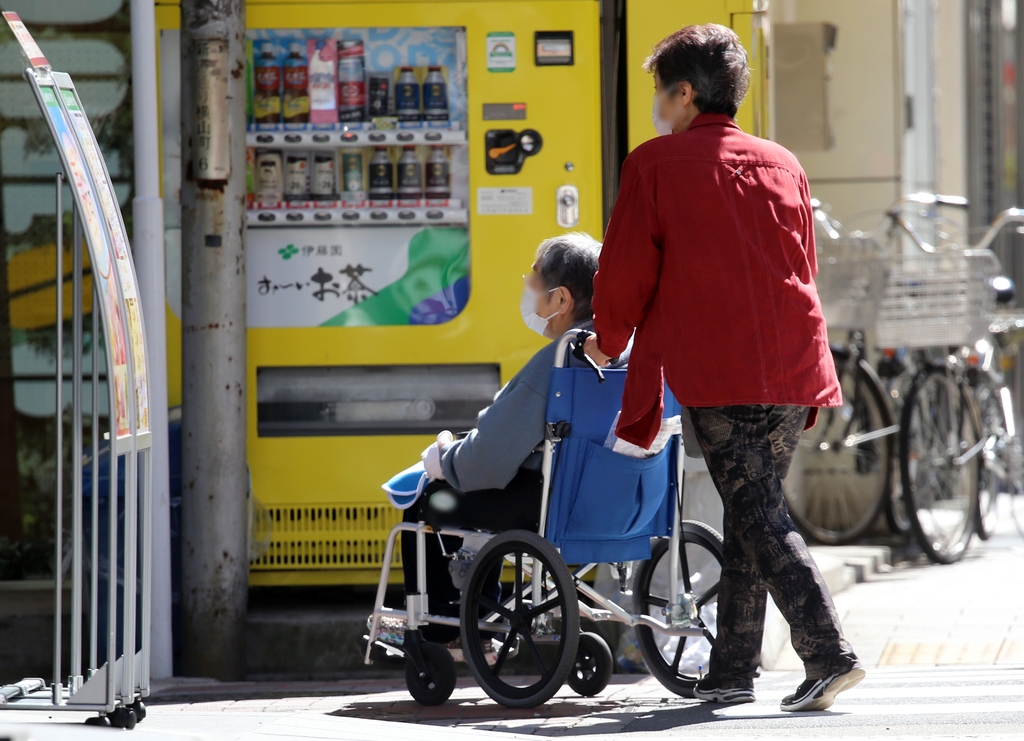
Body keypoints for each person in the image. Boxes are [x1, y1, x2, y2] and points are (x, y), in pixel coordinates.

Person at [584, 24, 863, 712]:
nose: (656, 104)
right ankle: (732, 669)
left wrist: (607, 338)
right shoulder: (783, 162)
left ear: (684, 93)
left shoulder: (656, 165)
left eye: (660, 90)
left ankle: (828, 651)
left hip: (722, 363)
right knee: (751, 512)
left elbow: (625, 272)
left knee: (758, 512)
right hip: (794, 359)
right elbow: (803, 262)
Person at [399, 232, 623, 643]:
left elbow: (487, 458)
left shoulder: (557, 362)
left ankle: (445, 634)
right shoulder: (624, 354)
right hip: (615, 504)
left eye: (536, 282)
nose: (529, 292)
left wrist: (444, 461)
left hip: (548, 505)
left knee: (427, 501)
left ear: (561, 300)